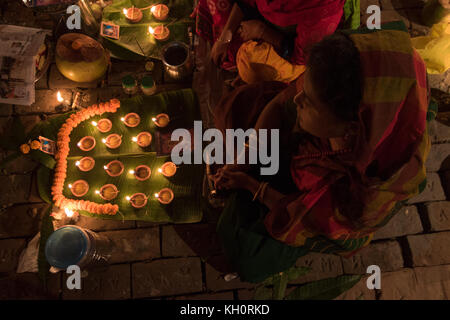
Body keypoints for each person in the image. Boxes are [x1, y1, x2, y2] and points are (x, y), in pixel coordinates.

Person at [212, 23, 432, 283]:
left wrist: (251, 185)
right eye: (304, 89)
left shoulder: (364, 192)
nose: (298, 99)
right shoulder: (340, 89)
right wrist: (247, 157)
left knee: (248, 254)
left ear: (352, 128)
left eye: (309, 102)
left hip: (328, 216)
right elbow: (283, 100)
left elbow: (303, 215)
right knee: (238, 107)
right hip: (310, 153)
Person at [195, 0, 358, 84]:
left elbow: (301, 56)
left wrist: (261, 31)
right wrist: (226, 36)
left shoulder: (322, 8)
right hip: (264, 17)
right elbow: (247, 2)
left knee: (251, 64)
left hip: (292, 44)